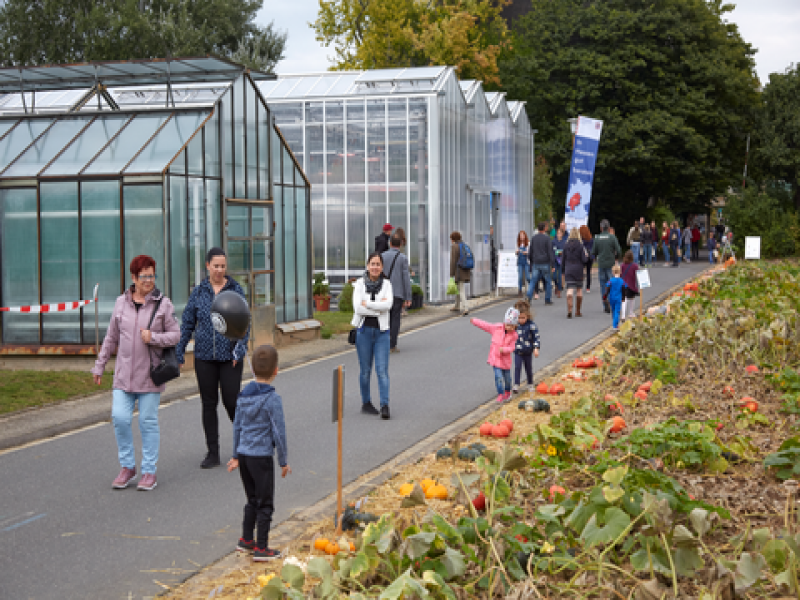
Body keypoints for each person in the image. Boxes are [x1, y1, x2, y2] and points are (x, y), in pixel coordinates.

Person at [91, 255, 180, 491]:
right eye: (144, 276)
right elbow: (111, 338)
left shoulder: (164, 304)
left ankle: (149, 471)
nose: (148, 280)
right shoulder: (121, 303)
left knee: (147, 421)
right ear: (133, 278)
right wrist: (100, 365)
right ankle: (127, 467)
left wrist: (154, 338)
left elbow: (176, 335)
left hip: (150, 375)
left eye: (152, 275)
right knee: (119, 418)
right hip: (123, 376)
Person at [177, 247, 249, 469]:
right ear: (207, 266)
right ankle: (213, 452)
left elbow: (244, 323)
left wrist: (239, 349)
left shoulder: (236, 290)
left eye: (223, 266)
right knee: (209, 403)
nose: (219, 270)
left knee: (231, 401)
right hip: (204, 357)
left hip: (230, 357)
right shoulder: (198, 292)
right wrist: (179, 350)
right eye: (215, 266)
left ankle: (243, 445)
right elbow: (188, 322)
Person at [227, 344, 290, 562]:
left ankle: (246, 540)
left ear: (252, 368)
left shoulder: (243, 396)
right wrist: (283, 460)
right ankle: (261, 548)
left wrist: (235, 455)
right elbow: (279, 433)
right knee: (265, 503)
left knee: (252, 499)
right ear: (276, 370)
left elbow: (237, 426)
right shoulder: (273, 400)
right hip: (261, 457)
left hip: (244, 455)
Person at [351, 252, 394, 419]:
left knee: (382, 370)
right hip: (364, 332)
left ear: (382, 267)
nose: (375, 267)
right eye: (372, 264)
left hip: (382, 332)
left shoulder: (387, 285)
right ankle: (366, 402)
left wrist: (368, 304)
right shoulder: (359, 284)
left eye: (378, 264)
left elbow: (388, 305)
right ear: (367, 266)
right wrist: (379, 307)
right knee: (365, 370)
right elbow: (357, 309)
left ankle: (385, 405)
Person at [471, 307, 519, 403]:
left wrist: (504, 350)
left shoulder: (514, 335)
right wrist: (475, 321)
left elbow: (512, 348)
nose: (508, 327)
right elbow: (485, 325)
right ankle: (500, 393)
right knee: (498, 377)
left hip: (505, 361)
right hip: (495, 359)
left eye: (511, 326)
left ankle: (507, 391)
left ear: (515, 326)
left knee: (507, 378)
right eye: (507, 325)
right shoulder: (497, 328)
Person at [381, 234, 412, 352]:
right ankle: (392, 345)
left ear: (390, 243)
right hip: (397, 293)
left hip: (384, 293)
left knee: (384, 318)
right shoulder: (403, 258)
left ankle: (383, 342)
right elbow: (405, 278)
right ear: (400, 244)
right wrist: (408, 296)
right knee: (395, 319)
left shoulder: (382, 256)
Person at [591, 219, 621, 313]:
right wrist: (615, 257)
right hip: (610, 264)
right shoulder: (612, 238)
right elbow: (619, 251)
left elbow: (593, 252)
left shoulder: (597, 238)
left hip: (601, 264)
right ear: (608, 228)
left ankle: (605, 303)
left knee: (603, 285)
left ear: (601, 228)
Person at [512, 300, 540, 393]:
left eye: (523, 318)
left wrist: (536, 348)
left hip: (528, 351)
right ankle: (516, 384)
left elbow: (536, 337)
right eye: (519, 318)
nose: (521, 320)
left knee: (528, 368)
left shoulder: (531, 325)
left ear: (527, 316)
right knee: (517, 366)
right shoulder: (515, 325)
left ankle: (530, 384)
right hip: (518, 351)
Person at [527, 222, 555, 305]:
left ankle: (529, 297)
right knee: (548, 281)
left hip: (536, 262)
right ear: (544, 229)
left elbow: (530, 252)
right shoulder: (547, 239)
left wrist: (532, 261)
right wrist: (552, 264)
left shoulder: (533, 238)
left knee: (533, 281)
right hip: (545, 262)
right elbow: (550, 252)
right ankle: (547, 299)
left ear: (538, 229)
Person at [563, 227, 588, 318]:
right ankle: (578, 311)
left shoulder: (566, 245)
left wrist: (563, 270)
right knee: (579, 290)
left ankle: (569, 309)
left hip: (569, 268)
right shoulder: (581, 246)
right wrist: (586, 256)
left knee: (570, 289)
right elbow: (584, 260)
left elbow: (563, 259)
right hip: (578, 270)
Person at [449, 231, 471, 316]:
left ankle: (466, 307)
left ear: (453, 239)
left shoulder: (454, 247)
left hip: (458, 272)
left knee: (461, 290)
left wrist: (451, 274)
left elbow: (453, 261)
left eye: (451, 238)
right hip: (465, 270)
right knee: (458, 288)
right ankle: (457, 306)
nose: (451, 240)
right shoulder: (464, 245)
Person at [603, 265, 625, 330]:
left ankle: (615, 323)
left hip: (612, 297)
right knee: (617, 311)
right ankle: (615, 325)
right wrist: (623, 297)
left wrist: (605, 296)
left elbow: (607, 288)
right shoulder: (622, 281)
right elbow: (624, 289)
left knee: (613, 310)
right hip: (618, 298)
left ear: (613, 272)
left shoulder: (611, 280)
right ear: (620, 272)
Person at [620, 250, 640, 321]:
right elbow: (638, 275)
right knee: (632, 299)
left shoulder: (622, 265)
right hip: (631, 285)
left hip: (623, 285)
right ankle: (631, 312)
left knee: (624, 300)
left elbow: (620, 275)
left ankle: (623, 316)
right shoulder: (635, 266)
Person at [552, 227, 567, 298]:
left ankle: (559, 291)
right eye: (557, 233)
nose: (558, 234)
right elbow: (553, 251)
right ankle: (556, 285)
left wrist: (562, 252)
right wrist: (557, 252)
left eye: (560, 233)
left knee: (560, 276)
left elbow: (565, 251)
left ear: (562, 234)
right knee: (554, 276)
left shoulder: (564, 242)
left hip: (561, 261)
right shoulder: (553, 242)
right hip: (555, 260)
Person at [579, 225, 594, 293]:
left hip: (583, 257)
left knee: (580, 271)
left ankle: (580, 286)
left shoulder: (581, 240)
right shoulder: (591, 239)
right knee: (588, 272)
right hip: (590, 257)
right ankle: (588, 287)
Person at [515, 230, 530, 296]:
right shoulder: (517, 244)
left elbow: (530, 252)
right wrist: (517, 252)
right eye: (520, 236)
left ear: (525, 236)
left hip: (526, 261)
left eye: (523, 235)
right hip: (520, 262)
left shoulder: (528, 243)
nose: (522, 237)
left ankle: (531, 289)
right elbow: (515, 253)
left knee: (528, 277)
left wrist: (526, 253)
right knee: (520, 277)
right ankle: (520, 290)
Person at [489, 225, 498, 292]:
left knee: (494, 270)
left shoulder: (492, 237)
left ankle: (495, 284)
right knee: (493, 270)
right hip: (489, 256)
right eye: (491, 229)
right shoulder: (487, 237)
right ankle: (492, 285)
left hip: (492, 257)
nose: (492, 231)